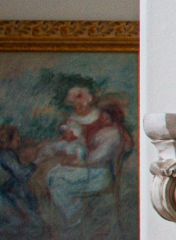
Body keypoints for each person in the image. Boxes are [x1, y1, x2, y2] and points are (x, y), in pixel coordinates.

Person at [36, 87, 133, 226]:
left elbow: (95, 158)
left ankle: (75, 214)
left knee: (56, 181)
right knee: (53, 175)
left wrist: (77, 161)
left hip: (99, 175)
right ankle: (75, 212)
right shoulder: (103, 133)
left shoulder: (112, 134)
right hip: (87, 170)